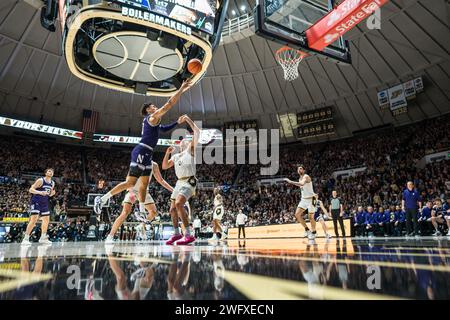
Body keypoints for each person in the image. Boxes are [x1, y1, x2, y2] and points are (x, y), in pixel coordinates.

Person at [94, 79, 192, 216]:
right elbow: (169, 105)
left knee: (144, 185)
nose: (156, 107)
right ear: (148, 110)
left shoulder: (155, 123)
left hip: (148, 153)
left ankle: (140, 211)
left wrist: (177, 122)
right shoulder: (151, 117)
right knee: (130, 183)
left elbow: (163, 129)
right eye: (153, 106)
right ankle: (102, 199)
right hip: (141, 150)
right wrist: (181, 89)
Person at [104, 162, 173, 244]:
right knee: (125, 212)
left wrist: (173, 189)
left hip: (144, 192)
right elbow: (127, 181)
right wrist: (131, 193)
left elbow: (161, 180)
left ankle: (141, 226)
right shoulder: (136, 162)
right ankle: (110, 236)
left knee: (153, 212)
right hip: (132, 190)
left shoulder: (154, 165)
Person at [163, 115, 200, 245]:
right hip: (179, 182)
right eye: (182, 140)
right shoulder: (176, 155)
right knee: (172, 210)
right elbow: (164, 166)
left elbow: (197, 132)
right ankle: (176, 234)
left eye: (187, 140)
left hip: (189, 180)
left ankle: (188, 234)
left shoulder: (190, 150)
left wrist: (188, 120)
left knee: (179, 204)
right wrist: (167, 152)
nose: (184, 141)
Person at [21, 168, 56, 245]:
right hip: (36, 201)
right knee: (34, 220)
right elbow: (31, 190)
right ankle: (26, 238)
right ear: (45, 173)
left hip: (44, 203)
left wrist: (51, 194)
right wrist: (40, 192)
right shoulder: (40, 180)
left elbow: (48, 194)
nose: (51, 172)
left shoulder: (52, 183)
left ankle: (43, 238)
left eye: (52, 172)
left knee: (46, 220)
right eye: (49, 171)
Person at [284, 165, 317, 240]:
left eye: (301, 169)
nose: (299, 170)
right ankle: (307, 230)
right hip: (304, 199)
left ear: (304, 170)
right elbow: (299, 184)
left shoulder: (306, 176)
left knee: (311, 217)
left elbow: (302, 184)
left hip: (312, 199)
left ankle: (314, 232)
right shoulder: (299, 179)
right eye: (298, 169)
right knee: (297, 215)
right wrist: (293, 183)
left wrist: (290, 181)